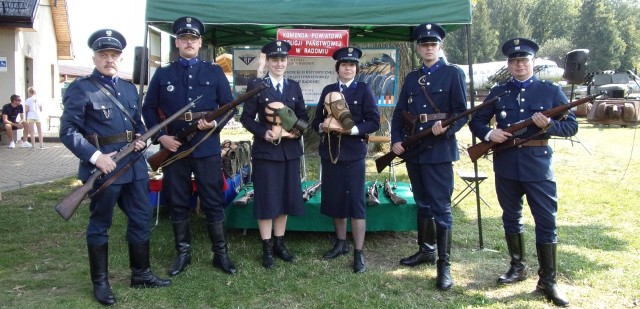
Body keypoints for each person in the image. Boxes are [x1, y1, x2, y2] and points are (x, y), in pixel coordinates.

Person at [59, 29, 170, 306]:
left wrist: (143, 139)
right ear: (95, 57)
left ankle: (141, 274)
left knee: (142, 217)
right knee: (100, 224)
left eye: (114, 55)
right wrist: (96, 157)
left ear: (120, 58)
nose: (109, 60)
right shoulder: (81, 88)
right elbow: (68, 131)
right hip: (105, 170)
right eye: (104, 55)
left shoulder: (128, 88)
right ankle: (101, 284)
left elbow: (138, 123)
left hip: (133, 167)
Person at [468, 38, 574, 307]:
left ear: (533, 63)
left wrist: (549, 125)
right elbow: (477, 120)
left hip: (538, 165)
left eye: (524, 60)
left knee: (545, 222)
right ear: (508, 64)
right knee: (511, 217)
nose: (519, 65)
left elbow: (571, 127)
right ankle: (517, 267)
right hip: (505, 162)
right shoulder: (499, 92)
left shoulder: (550, 91)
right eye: (514, 61)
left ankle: (548, 280)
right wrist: (490, 132)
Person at [142, 16, 237, 277]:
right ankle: (183, 253)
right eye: (184, 38)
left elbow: (229, 107)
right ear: (177, 42)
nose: (189, 42)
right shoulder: (163, 73)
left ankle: (221, 254)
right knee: (177, 200)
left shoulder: (214, 72)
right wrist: (161, 137)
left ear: (200, 42)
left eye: (193, 38)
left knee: (213, 199)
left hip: (206, 145)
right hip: (174, 148)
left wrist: (214, 124)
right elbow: (148, 109)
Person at [390, 23, 468, 291]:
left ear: (439, 47)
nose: (428, 48)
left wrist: (446, 129)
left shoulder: (452, 73)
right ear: (419, 48)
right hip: (415, 151)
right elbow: (400, 112)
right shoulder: (412, 78)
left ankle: (444, 265)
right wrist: (396, 140)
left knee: (441, 208)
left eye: (433, 44)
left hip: (439, 150)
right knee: (422, 203)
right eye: (424, 45)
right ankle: (426, 250)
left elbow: (461, 112)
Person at [239, 40, 308, 269]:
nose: (279, 63)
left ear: (287, 62)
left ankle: (280, 243)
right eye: (275, 59)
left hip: (289, 152)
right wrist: (264, 132)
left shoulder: (294, 86)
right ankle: (267, 247)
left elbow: (303, 117)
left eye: (283, 59)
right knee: (267, 198)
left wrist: (294, 133)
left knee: (286, 198)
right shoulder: (257, 85)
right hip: (266, 152)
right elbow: (246, 118)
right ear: (267, 61)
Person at [310, 47, 380, 273]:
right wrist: (323, 126)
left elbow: (374, 121)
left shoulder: (363, 90)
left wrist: (354, 130)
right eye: (344, 64)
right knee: (335, 199)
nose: (348, 68)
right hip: (331, 153)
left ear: (356, 68)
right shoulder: (328, 90)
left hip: (353, 153)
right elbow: (315, 122)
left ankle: (359, 252)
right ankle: (340, 243)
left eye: (352, 65)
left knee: (356, 202)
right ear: (337, 68)